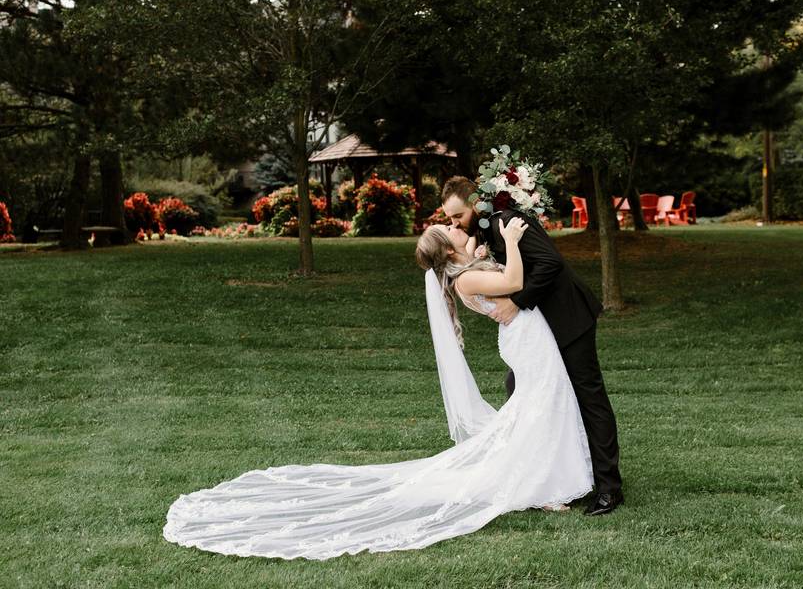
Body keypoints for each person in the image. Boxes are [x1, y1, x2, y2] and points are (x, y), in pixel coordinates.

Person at [163, 217, 594, 561]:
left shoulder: (466, 270)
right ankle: (541, 486)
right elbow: (516, 283)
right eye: (453, 231)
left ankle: (546, 480)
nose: (460, 228)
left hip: (528, 337)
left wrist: (483, 254)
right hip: (527, 340)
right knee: (540, 405)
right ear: (447, 249)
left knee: (543, 404)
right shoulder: (464, 281)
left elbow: (495, 277)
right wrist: (513, 241)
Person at [441, 176, 624, 516]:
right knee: (520, 391)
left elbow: (551, 263)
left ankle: (609, 489)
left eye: (457, 216)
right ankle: (548, 478)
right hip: (539, 333)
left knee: (589, 397)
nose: (454, 223)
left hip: (568, 319)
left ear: (476, 204)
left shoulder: (503, 221)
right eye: (449, 220)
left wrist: (518, 302)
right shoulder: (487, 228)